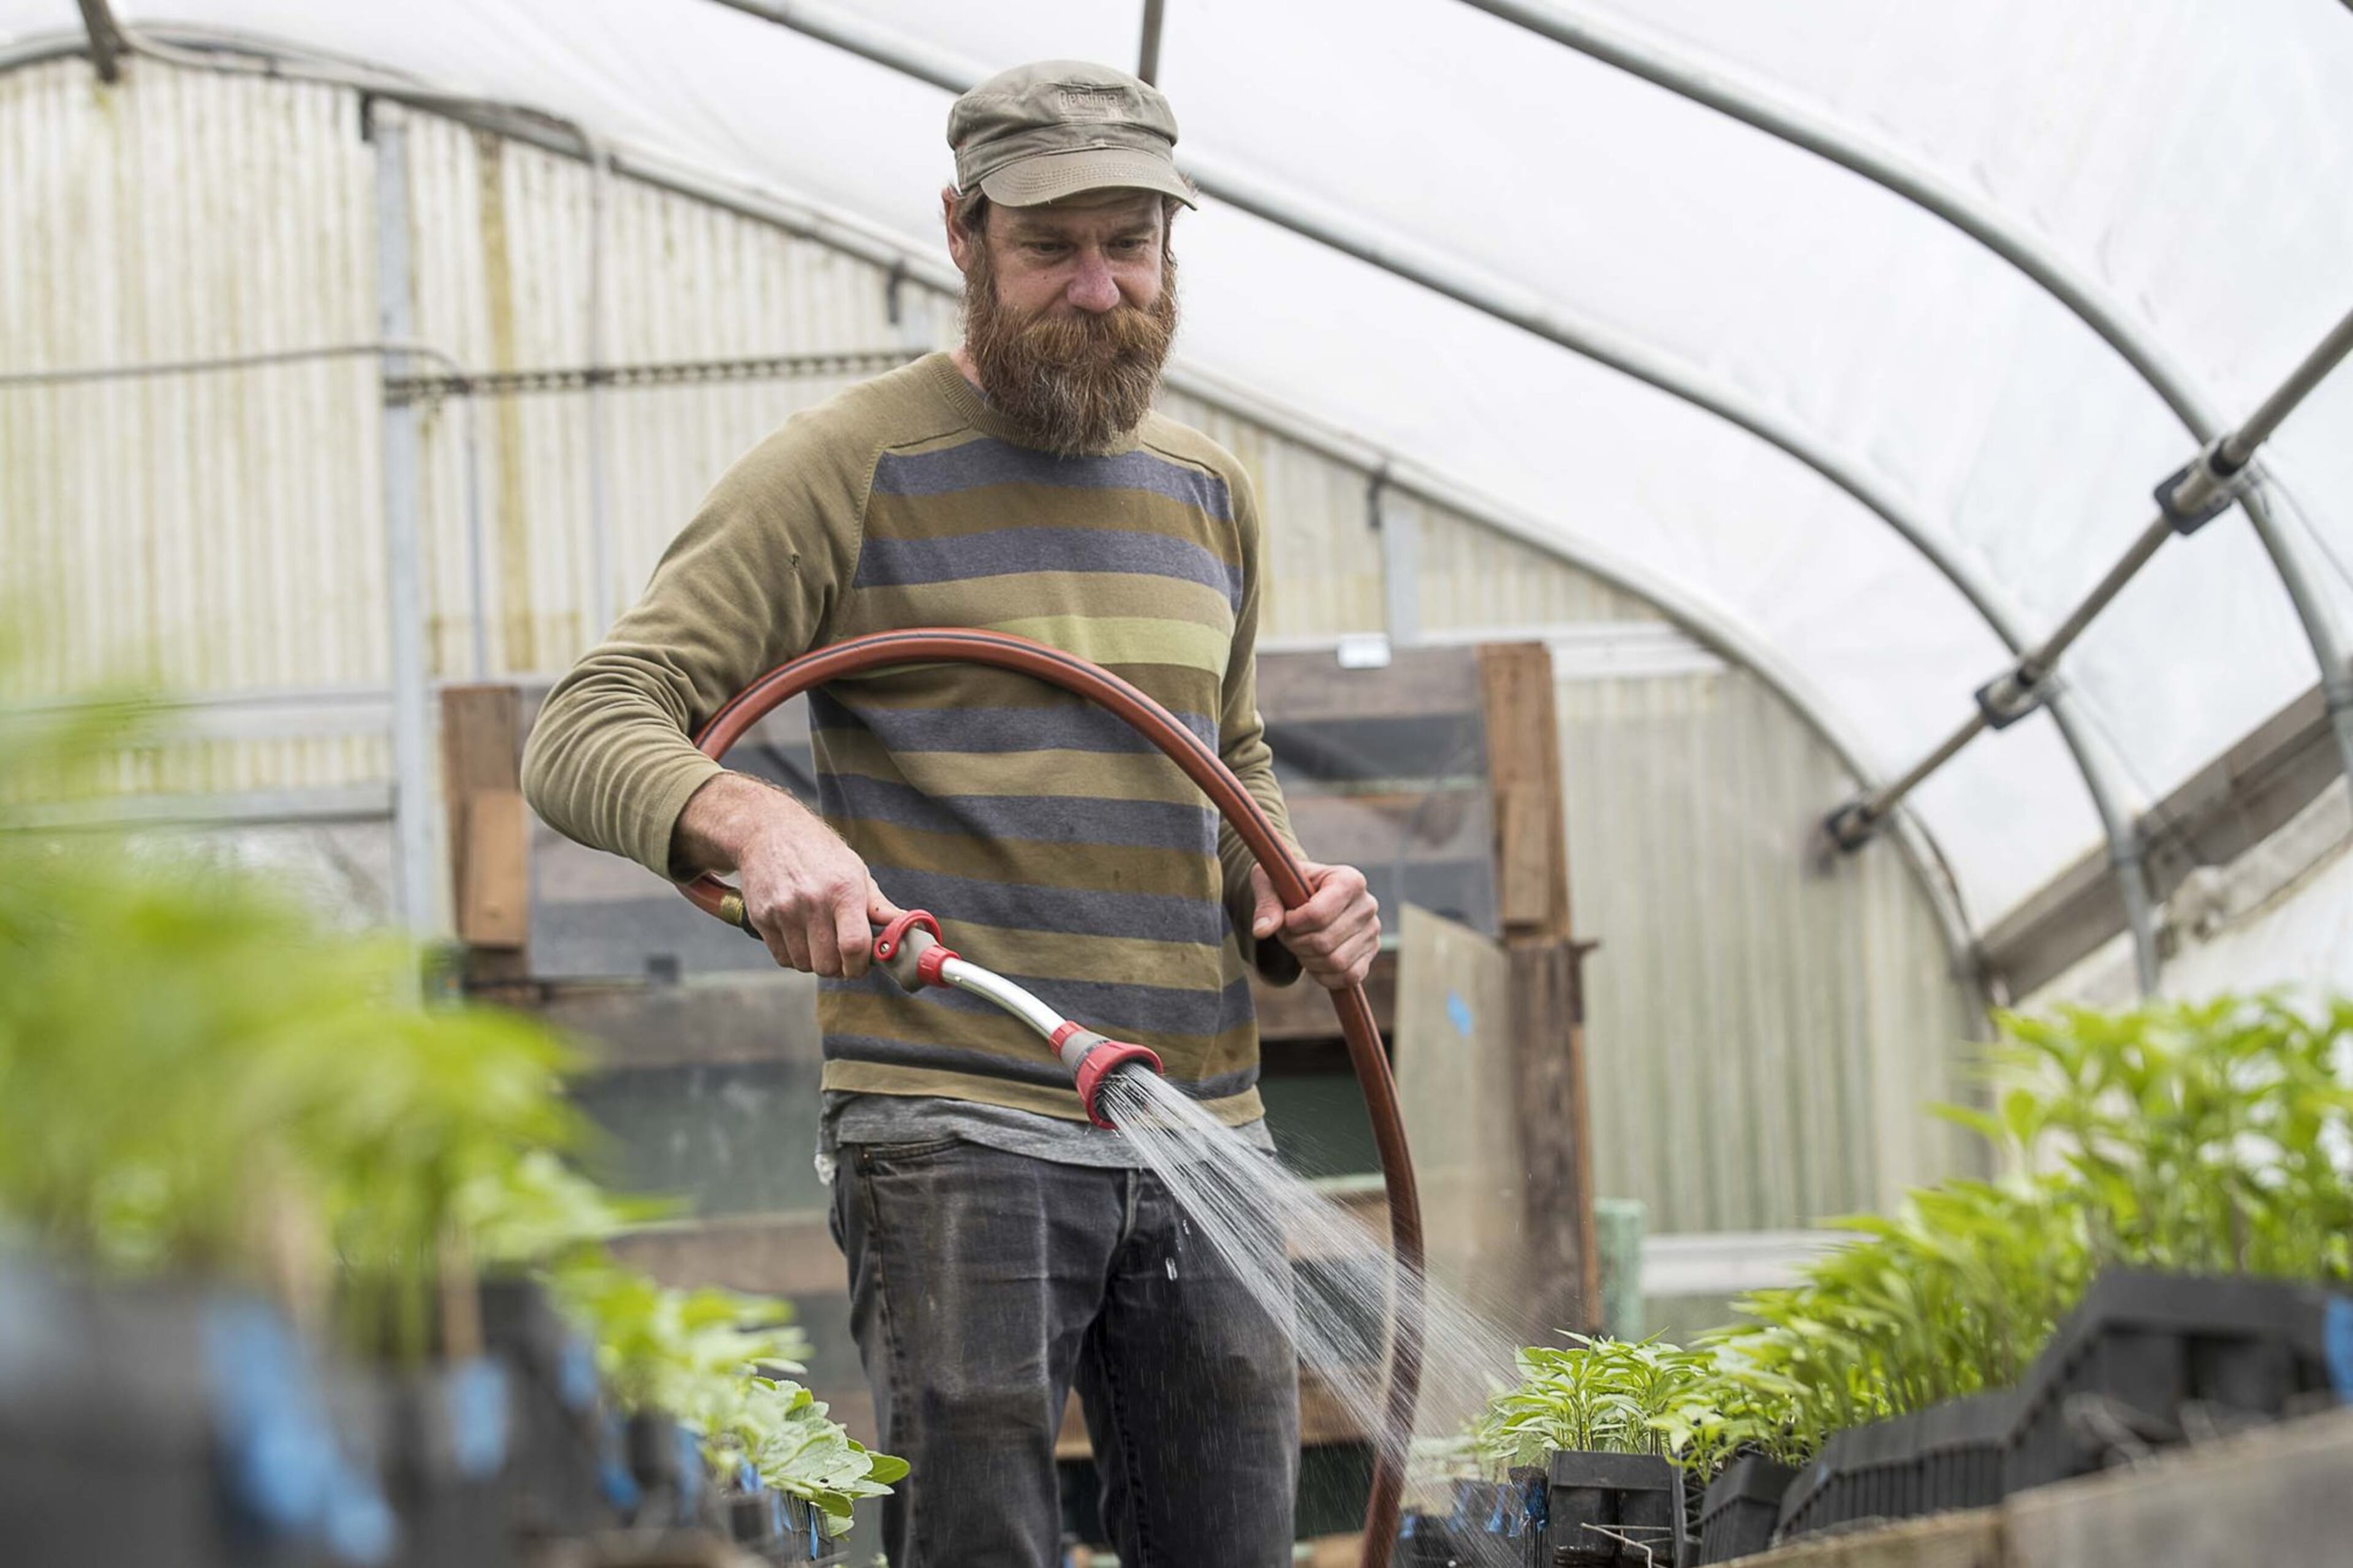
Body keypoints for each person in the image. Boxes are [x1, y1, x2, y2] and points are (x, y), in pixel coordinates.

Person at [521, 58, 1381, 1566]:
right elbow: (592, 720)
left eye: (1132, 243)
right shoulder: (851, 468)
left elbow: (1222, 743)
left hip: (1202, 1128)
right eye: (1052, 246)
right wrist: (749, 819)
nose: (1099, 287)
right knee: (980, 1542)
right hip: (960, 1120)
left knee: (1234, 1542)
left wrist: (1291, 889)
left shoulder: (1209, 490)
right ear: (963, 233)